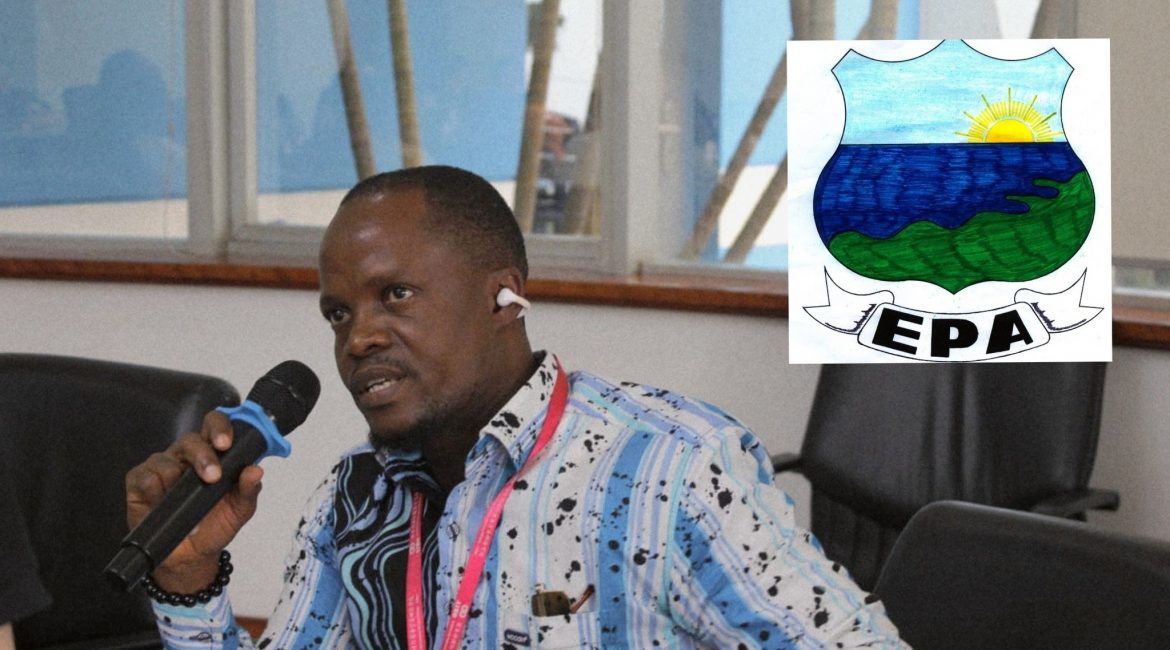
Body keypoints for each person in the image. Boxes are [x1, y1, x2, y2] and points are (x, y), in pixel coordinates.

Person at [125, 165, 906, 648]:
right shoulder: (354, 497)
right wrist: (189, 579)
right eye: (339, 313)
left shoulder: (669, 468)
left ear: (504, 297)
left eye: (396, 295)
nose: (359, 337)